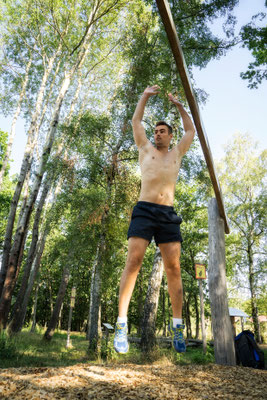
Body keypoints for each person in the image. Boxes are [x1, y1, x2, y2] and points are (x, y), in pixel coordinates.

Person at [114, 85, 195, 353]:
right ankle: (122, 325)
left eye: (162, 131)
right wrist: (145, 96)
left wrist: (179, 106)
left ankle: (177, 327)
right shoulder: (144, 147)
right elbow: (137, 121)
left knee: (173, 268)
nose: (157, 134)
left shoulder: (177, 153)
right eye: (156, 131)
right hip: (145, 210)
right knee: (134, 262)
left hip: (168, 214)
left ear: (170, 136)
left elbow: (190, 131)